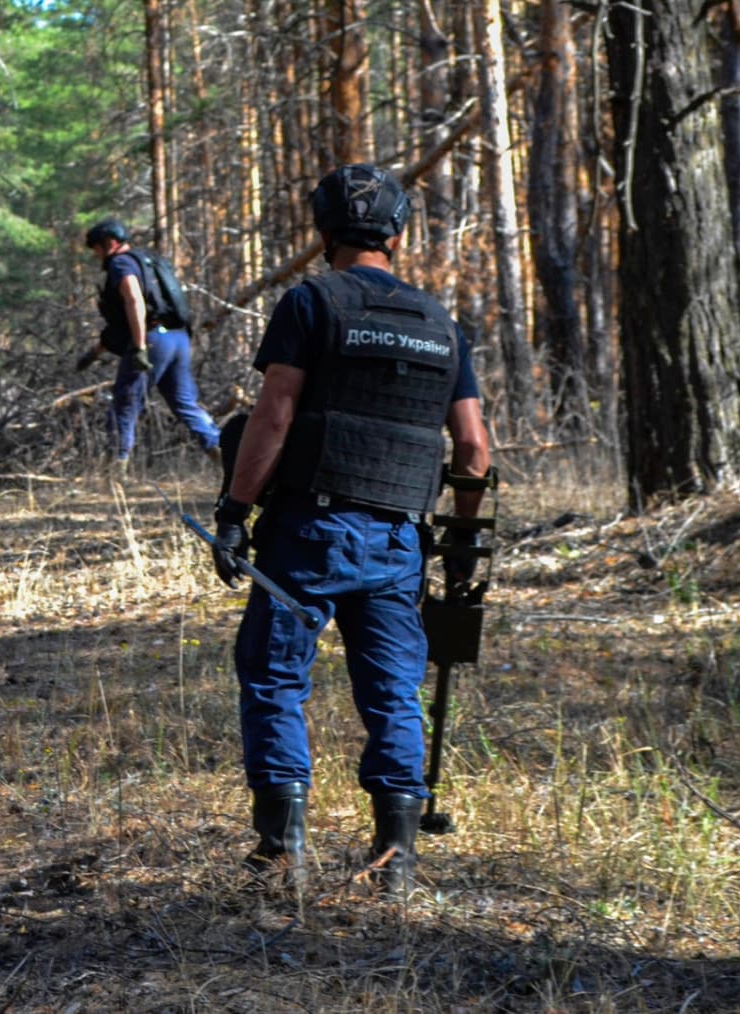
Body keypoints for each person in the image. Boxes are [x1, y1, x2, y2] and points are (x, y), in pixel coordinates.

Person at [210, 165, 490, 897]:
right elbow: (473, 448)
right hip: (401, 538)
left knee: (274, 677)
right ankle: (396, 861)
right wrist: (460, 547)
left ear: (323, 233)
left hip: (310, 528)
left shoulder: (310, 302)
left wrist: (236, 512)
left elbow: (273, 416)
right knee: (394, 691)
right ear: (397, 235)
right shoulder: (442, 324)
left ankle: (282, 852)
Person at [75, 220, 222, 471]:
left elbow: (134, 300)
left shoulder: (121, 264)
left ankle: (115, 470)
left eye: (97, 248)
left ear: (110, 243)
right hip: (177, 339)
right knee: (185, 404)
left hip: (153, 340)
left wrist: (140, 346)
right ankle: (224, 454)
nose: (96, 255)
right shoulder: (149, 261)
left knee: (125, 401)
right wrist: (94, 353)